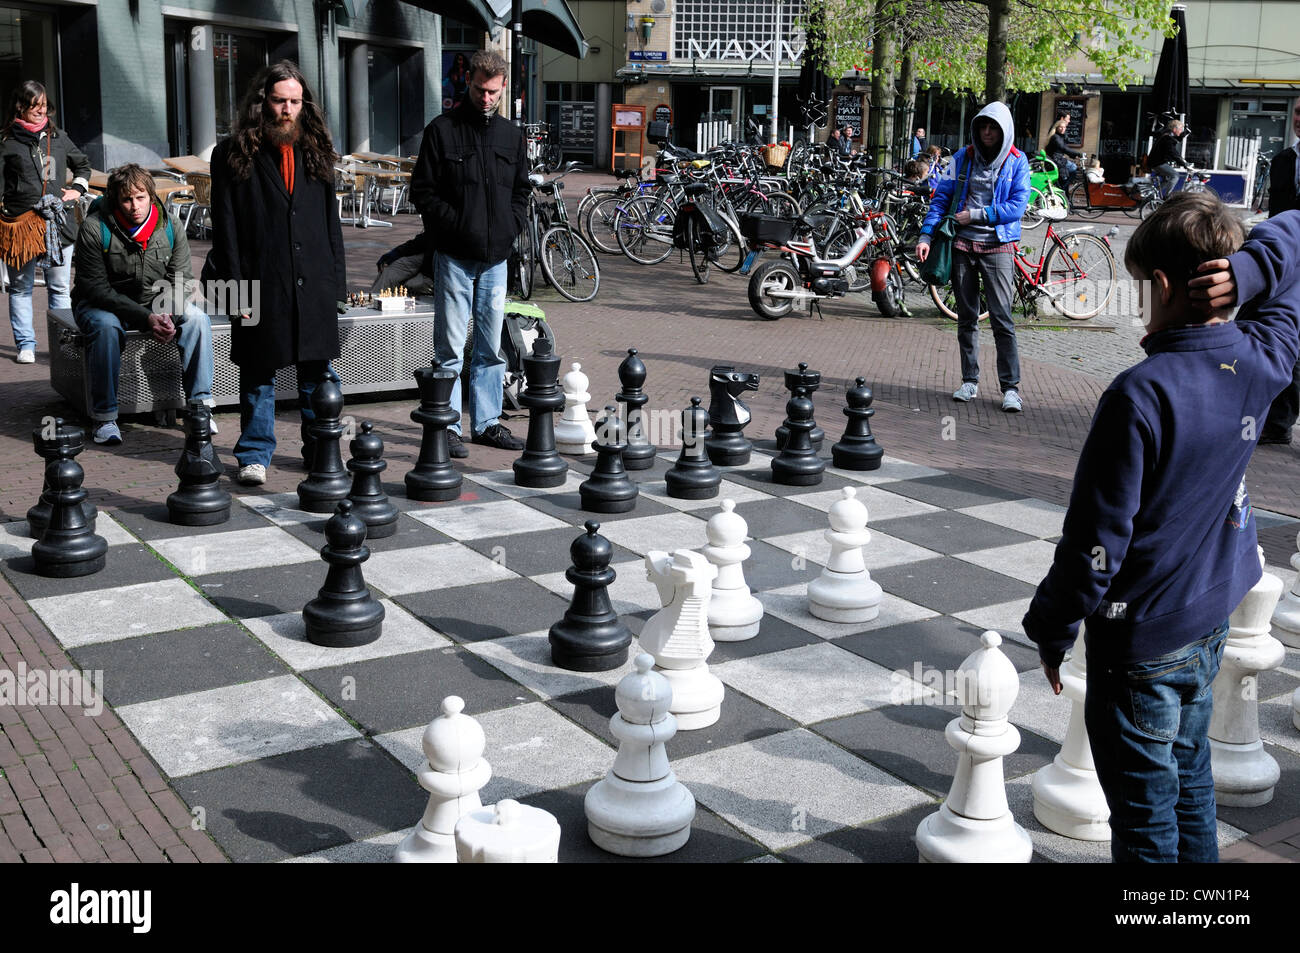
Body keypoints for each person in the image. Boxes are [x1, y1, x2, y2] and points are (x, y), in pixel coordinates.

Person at [1022, 193, 1300, 862]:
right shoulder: (1264, 358)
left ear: (1165, 286)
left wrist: (1052, 627)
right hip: (1208, 622)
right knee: (1190, 788)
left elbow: (1094, 545)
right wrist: (1255, 272)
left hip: (1139, 643)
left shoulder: (1140, 394)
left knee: (1147, 822)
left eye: (1143, 286)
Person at [203, 60, 346, 486]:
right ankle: (254, 454)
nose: (287, 109)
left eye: (295, 102)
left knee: (315, 372)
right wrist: (234, 291)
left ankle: (319, 447)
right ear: (262, 101)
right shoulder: (231, 153)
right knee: (257, 371)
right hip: (257, 280)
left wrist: (335, 284)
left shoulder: (316, 149)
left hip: (312, 278)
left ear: (305, 105)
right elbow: (224, 225)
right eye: (280, 100)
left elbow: (330, 220)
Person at [410, 48, 528, 457]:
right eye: (480, 89)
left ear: (503, 87)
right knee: (450, 346)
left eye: (494, 92)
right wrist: (455, 227)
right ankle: (448, 425)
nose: (486, 98)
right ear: (469, 83)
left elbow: (521, 192)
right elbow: (422, 191)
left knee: (490, 347)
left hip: (496, 258)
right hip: (455, 256)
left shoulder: (512, 135)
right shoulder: (441, 130)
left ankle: (488, 422)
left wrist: (511, 229)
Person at [71, 165, 215, 445]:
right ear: (115, 199)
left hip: (156, 300)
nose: (134, 206)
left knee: (198, 320)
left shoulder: (171, 225)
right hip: (103, 303)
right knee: (105, 328)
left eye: (140, 198)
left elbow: (182, 278)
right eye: (126, 199)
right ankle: (105, 417)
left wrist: (168, 313)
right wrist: (146, 318)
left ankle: (199, 410)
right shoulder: (93, 228)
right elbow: (96, 288)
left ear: (151, 195)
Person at [916, 102, 1030, 412]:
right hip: (962, 247)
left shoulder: (1018, 162)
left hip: (998, 246)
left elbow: (1017, 208)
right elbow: (940, 199)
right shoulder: (959, 159)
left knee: (1002, 318)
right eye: (983, 126)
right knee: (966, 317)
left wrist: (975, 215)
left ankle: (1010, 388)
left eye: (994, 127)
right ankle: (970, 380)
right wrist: (926, 235)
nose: (988, 132)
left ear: (1004, 130)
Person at [0, 81, 90, 364]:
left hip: (58, 224)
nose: (40, 111)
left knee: (60, 288)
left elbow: (83, 164)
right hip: (20, 227)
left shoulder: (58, 137)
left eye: (43, 105)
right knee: (20, 287)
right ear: (20, 107)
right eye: (34, 106)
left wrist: (78, 189)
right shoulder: (6, 142)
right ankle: (26, 344)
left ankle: (61, 344)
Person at [1258, 93, 1300, 445]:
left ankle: (1280, 421)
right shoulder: (1284, 159)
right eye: (1297, 112)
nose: (1299, 118)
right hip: (1284, 258)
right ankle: (1274, 418)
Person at [1147, 118, 1191, 196]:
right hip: (1157, 162)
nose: (1181, 131)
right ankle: (1167, 197)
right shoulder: (1167, 138)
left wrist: (1183, 162)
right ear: (1174, 129)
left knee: (1166, 180)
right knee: (1175, 175)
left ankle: (1152, 194)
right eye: (1180, 129)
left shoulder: (1167, 135)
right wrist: (1184, 164)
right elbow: (1173, 153)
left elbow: (1175, 144)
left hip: (1155, 161)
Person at [1047, 113, 1084, 185]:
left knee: (1069, 171)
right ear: (1057, 127)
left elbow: (1064, 148)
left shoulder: (1060, 136)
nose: (1063, 129)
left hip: (1059, 158)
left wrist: (1073, 156)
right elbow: (1063, 147)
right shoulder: (1056, 137)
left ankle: (1063, 188)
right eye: (1061, 127)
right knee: (1073, 167)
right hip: (1057, 160)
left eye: (1064, 127)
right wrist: (1078, 154)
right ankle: (1063, 189)